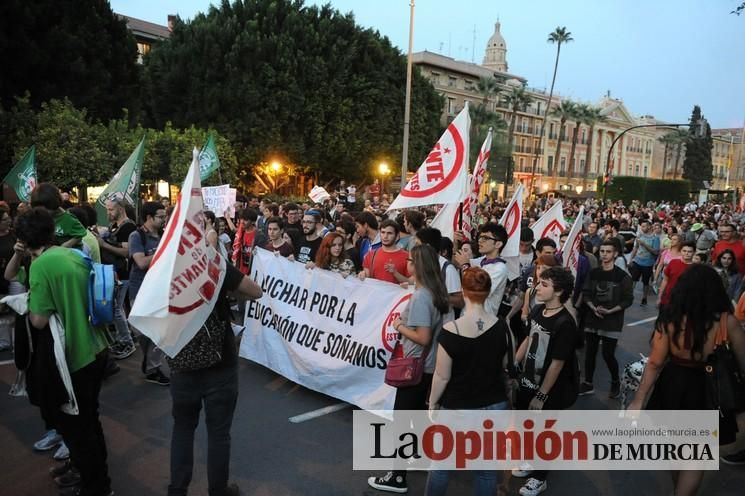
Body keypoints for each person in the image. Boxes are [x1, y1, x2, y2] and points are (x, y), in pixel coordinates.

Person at [18, 208, 113, 496]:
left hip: (72, 356)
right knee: (90, 421)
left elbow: (39, 319)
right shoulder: (73, 254)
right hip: (98, 347)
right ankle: (97, 480)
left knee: (76, 429)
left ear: (23, 239)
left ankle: (96, 486)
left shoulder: (41, 267)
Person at [629, 265, 745, 495]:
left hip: (674, 384)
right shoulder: (725, 321)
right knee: (697, 454)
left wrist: (638, 400)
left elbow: (654, 363)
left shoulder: (670, 319)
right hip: (710, 388)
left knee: (676, 449)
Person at [167, 249, 263, 496]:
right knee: (219, 433)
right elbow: (256, 291)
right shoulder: (210, 261)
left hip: (181, 361)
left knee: (183, 429)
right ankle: (218, 490)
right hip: (220, 363)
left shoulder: (163, 265)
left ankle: (177, 490)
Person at [367, 244, 449, 494]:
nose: (407, 264)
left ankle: (397, 476)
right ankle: (422, 458)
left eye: (411, 261)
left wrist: (399, 325)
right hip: (428, 367)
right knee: (417, 418)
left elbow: (422, 337)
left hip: (416, 367)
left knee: (402, 421)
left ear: (419, 266)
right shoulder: (435, 292)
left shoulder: (422, 297)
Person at [424, 267, 510, 496]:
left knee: (441, 466)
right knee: (485, 471)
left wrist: (432, 403)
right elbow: (503, 364)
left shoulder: (451, 330)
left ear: (463, 291)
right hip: (495, 402)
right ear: (489, 291)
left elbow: (442, 375)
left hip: (457, 406)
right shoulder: (502, 326)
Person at [513, 267, 579, 496]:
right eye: (538, 283)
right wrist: (514, 362)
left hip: (549, 389)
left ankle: (540, 478)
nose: (537, 287)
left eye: (544, 284)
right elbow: (529, 338)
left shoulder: (565, 323)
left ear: (558, 291)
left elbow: (557, 364)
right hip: (527, 380)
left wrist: (541, 395)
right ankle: (530, 461)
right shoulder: (539, 309)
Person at [580, 240, 634, 399]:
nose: (604, 254)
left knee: (608, 354)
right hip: (593, 318)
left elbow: (628, 299)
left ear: (615, 254)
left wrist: (611, 311)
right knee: (590, 352)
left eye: (608, 251)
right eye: (602, 251)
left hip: (612, 322)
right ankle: (588, 383)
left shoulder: (623, 276)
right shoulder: (593, 273)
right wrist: (592, 307)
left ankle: (615, 381)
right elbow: (586, 292)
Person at [129, 201, 170, 386]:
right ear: (148, 218)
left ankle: (153, 367)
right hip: (140, 290)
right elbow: (141, 263)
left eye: (164, 216)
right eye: (160, 217)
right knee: (141, 332)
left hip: (160, 291)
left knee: (158, 331)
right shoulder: (136, 236)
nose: (164, 220)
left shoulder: (164, 235)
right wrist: (164, 252)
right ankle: (150, 361)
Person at [96, 199, 137, 360]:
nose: (108, 213)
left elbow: (127, 252)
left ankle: (127, 342)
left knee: (116, 309)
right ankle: (125, 338)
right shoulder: (115, 227)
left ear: (120, 209)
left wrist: (104, 245)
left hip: (122, 274)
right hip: (114, 272)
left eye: (111, 209)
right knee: (116, 308)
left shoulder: (128, 227)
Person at [454, 223, 509, 318]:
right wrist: (456, 243)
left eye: (485, 238)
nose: (480, 241)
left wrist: (465, 265)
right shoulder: (482, 261)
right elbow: (456, 262)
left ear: (498, 244)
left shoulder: (499, 268)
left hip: (482, 323)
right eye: (480, 237)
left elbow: (478, 289)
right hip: (467, 316)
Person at [30, 183, 86, 248]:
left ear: (54, 203)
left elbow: (81, 233)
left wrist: (65, 246)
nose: (42, 213)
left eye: (46, 209)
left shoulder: (68, 219)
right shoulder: (44, 217)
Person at [358, 219, 408, 284]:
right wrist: (363, 274)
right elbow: (367, 277)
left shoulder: (406, 256)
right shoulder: (370, 254)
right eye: (383, 232)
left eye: (389, 233)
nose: (385, 236)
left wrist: (395, 273)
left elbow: (411, 282)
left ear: (397, 235)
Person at [629, 219, 660, 306]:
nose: (642, 228)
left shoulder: (655, 238)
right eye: (641, 226)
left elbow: (656, 252)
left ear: (649, 226)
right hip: (637, 261)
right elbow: (635, 248)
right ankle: (630, 297)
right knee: (633, 279)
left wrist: (644, 245)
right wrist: (631, 259)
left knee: (645, 282)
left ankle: (644, 298)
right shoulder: (640, 235)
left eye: (644, 226)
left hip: (648, 263)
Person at [658, 241, 696, 307]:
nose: (686, 253)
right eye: (684, 251)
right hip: (667, 300)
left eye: (689, 252)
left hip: (684, 303)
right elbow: (665, 280)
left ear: (694, 253)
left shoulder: (696, 268)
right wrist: (659, 297)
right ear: (680, 251)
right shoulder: (673, 262)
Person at [0, 205, 16, 351]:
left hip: (16, 278)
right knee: (2, 314)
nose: (8, 220)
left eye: (8, 218)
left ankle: (18, 342)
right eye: (4, 219)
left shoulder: (13, 234)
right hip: (0, 281)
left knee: (17, 310)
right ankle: (4, 342)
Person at [232, 208, 265, 275]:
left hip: (253, 273)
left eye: (245, 220)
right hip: (241, 271)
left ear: (253, 221)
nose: (242, 222)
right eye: (241, 219)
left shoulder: (259, 236)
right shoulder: (240, 233)